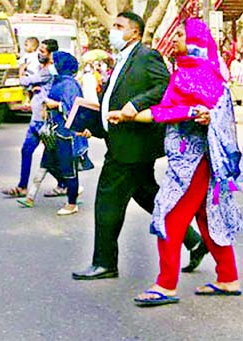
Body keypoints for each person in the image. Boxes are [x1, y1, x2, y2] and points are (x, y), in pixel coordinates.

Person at [109, 19, 242, 307]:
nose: (175, 38)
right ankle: (228, 277)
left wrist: (201, 114)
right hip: (195, 158)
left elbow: (197, 110)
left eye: (181, 34)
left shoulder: (196, 73)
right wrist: (128, 115)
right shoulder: (193, 71)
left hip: (193, 162)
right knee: (207, 217)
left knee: (169, 216)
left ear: (195, 40)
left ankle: (166, 285)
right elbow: (168, 111)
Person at [72, 12, 207, 280]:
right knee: (147, 195)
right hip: (123, 141)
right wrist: (97, 126)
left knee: (107, 202)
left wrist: (134, 106)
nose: (113, 30)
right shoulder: (121, 60)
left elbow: (165, 87)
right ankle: (194, 241)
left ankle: (105, 263)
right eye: (114, 25)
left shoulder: (146, 56)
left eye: (119, 26)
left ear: (134, 32)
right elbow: (113, 100)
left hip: (133, 146)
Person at [22, 51, 93, 215]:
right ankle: (30, 197)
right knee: (45, 163)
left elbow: (75, 108)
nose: (50, 65)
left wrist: (56, 105)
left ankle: (72, 203)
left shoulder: (69, 84)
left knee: (68, 170)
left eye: (53, 62)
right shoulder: (57, 81)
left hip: (67, 135)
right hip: (54, 132)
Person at [2, 39, 67, 198]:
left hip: (46, 122)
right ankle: (22, 186)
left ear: (51, 54)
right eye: (40, 50)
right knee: (27, 151)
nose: (40, 53)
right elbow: (33, 85)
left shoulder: (49, 71)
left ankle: (66, 184)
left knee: (50, 158)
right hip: (36, 120)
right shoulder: (42, 69)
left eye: (43, 51)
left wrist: (21, 71)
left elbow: (25, 81)